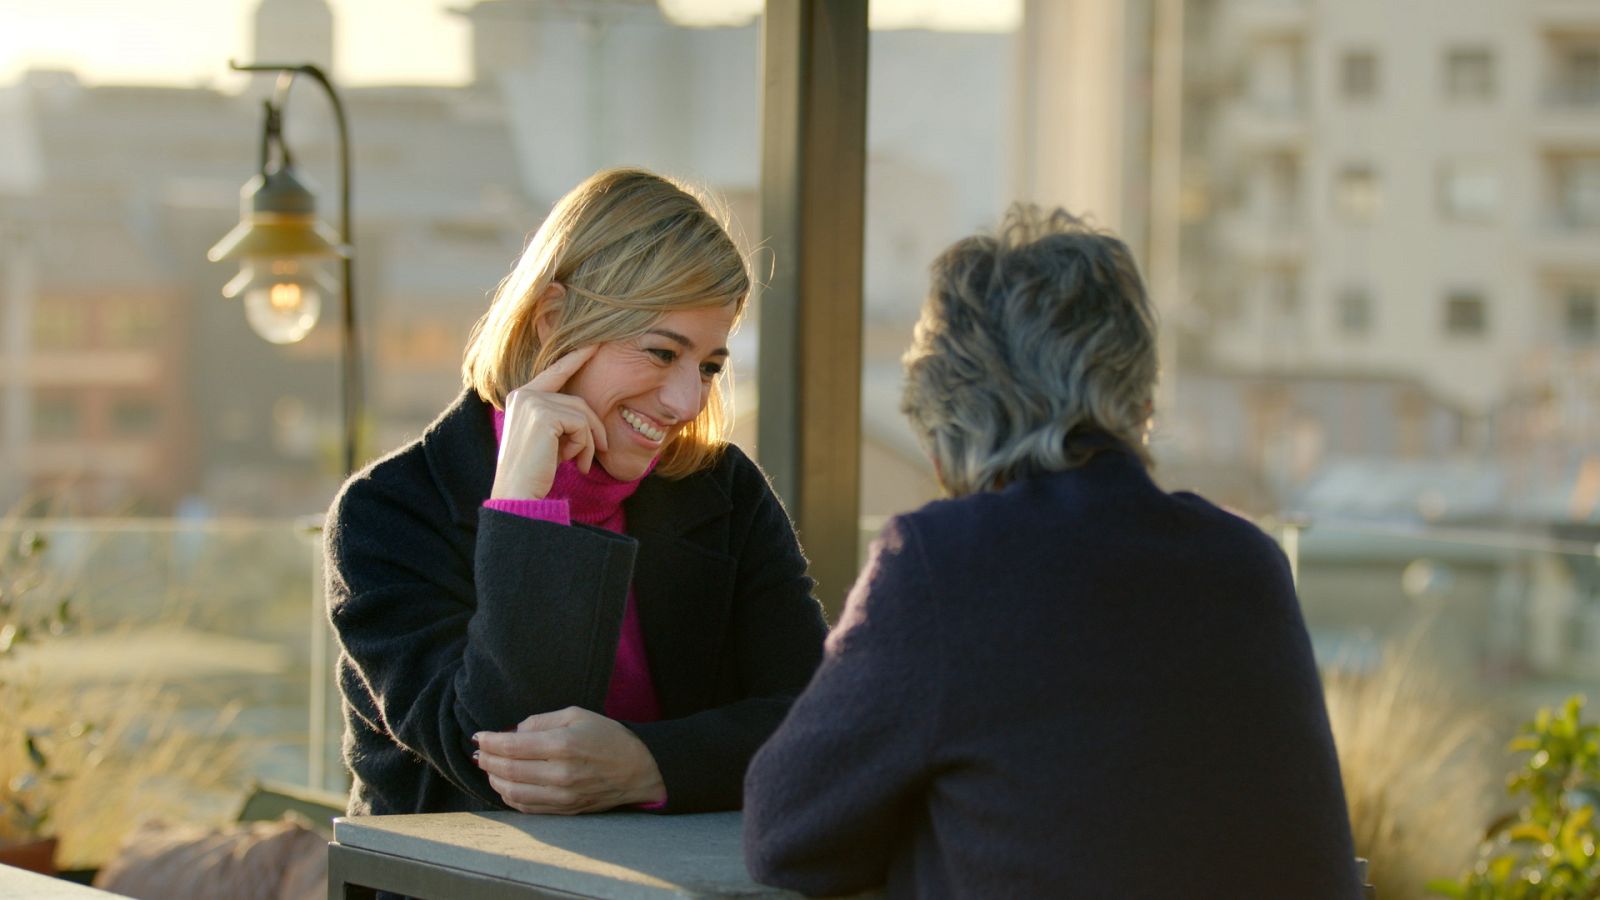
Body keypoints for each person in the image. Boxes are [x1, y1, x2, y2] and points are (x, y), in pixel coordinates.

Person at [742, 207, 1362, 898]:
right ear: (1137, 394)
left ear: (948, 410)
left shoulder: (945, 564)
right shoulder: (1248, 563)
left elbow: (783, 834)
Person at [326, 167, 827, 818]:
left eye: (707, 366)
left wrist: (649, 765)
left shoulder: (724, 492)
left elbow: (822, 721)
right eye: (659, 352)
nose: (686, 401)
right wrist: (523, 516)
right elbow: (499, 757)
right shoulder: (386, 514)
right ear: (554, 319)